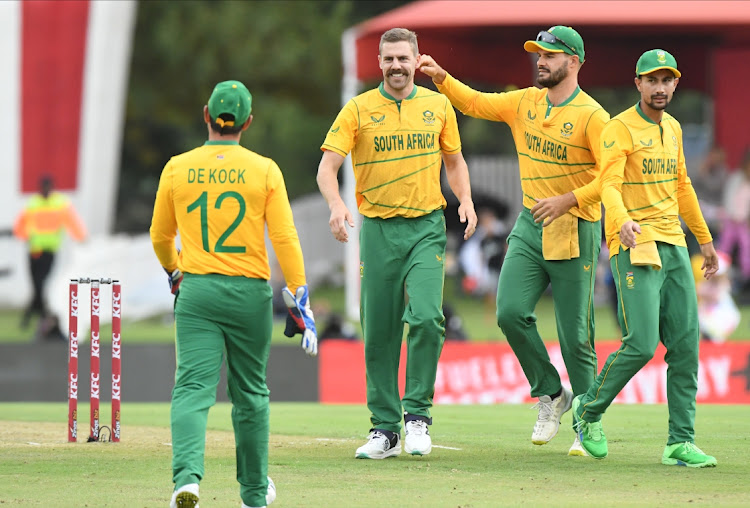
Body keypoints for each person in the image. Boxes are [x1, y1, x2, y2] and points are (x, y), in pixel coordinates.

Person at [419, 26, 609, 455]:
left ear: (574, 61)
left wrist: (568, 200)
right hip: (529, 224)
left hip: (575, 226)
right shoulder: (524, 101)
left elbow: (612, 176)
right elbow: (474, 102)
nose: (540, 61)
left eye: (550, 55)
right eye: (537, 54)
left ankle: (588, 421)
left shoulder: (594, 117)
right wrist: (440, 76)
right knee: (508, 313)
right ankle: (550, 392)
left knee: (575, 334)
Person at [150, 80, 318, 508]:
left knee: (191, 389)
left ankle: (186, 482)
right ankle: (253, 494)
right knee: (250, 394)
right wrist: (299, 295)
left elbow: (159, 236)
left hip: (198, 290)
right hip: (249, 295)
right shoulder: (264, 169)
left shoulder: (176, 167)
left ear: (206, 114)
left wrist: (174, 271)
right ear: (248, 121)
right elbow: (284, 237)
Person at [317, 28, 477, 459]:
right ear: (380, 62)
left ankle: (418, 418)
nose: (396, 66)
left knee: (426, 318)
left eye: (403, 58)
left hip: (426, 227)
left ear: (417, 59)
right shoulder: (359, 108)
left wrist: (464, 199)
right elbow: (327, 167)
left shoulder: (438, 105)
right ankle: (385, 430)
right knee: (380, 332)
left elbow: (455, 161)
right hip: (378, 230)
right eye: (388, 59)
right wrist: (335, 204)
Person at [570, 50, 719, 468]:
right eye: (651, 80)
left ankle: (679, 443)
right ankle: (588, 411)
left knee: (686, 346)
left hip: (673, 244)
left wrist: (704, 242)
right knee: (640, 344)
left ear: (675, 83)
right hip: (634, 243)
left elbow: (683, 185)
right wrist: (622, 223)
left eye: (666, 80)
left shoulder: (672, 127)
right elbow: (609, 185)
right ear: (637, 83)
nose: (659, 87)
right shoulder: (619, 128)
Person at [13, 175, 87, 330]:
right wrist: (24, 235)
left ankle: (31, 318)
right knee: (38, 285)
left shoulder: (60, 203)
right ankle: (42, 316)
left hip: (50, 250)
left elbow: (72, 221)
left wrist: (81, 237)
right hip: (35, 250)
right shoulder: (33, 203)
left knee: (40, 284)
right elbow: (21, 224)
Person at [719, 150, 750, 288]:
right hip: (730, 220)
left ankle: (745, 280)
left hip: (745, 223)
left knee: (746, 249)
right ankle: (718, 276)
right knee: (724, 249)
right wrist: (730, 216)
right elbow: (728, 199)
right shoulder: (736, 178)